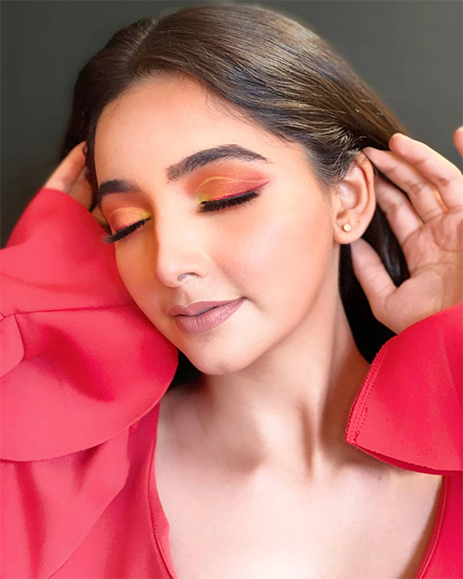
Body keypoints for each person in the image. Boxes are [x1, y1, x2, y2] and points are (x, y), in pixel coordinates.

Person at [1, 3, 462, 578]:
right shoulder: (37, 490)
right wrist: (23, 297)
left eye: (224, 197)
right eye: (127, 224)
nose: (168, 263)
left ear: (347, 199)